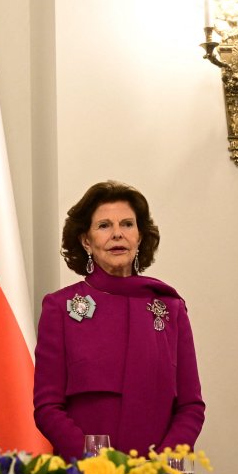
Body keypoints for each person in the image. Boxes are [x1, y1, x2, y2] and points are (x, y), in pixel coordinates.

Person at [33, 180, 205, 459]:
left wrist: (159, 467)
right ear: (86, 240)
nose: (117, 234)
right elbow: (47, 406)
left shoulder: (170, 308)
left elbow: (191, 407)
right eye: (104, 226)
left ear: (139, 236)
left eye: (127, 224)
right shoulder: (60, 308)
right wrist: (102, 464)